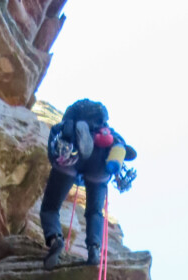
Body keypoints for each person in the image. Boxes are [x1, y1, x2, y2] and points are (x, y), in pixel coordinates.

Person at [40, 99, 137, 270]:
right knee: (94, 212)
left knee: (50, 207)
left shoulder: (70, 118)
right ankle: (94, 249)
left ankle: (55, 239)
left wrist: (55, 160)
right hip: (100, 165)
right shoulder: (108, 130)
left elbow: (55, 136)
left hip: (71, 157)